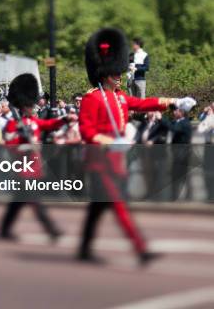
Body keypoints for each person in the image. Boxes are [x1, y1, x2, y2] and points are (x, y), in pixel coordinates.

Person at [77, 27, 195, 266]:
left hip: (116, 161)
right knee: (119, 204)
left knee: (98, 208)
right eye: (115, 71)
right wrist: (110, 142)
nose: (119, 74)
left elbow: (143, 104)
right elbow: (86, 131)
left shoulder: (119, 96)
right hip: (101, 162)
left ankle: (83, 248)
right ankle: (140, 248)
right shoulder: (92, 98)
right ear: (104, 72)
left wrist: (174, 102)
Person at [0, 73, 72, 243]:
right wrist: (27, 146)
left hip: (34, 167)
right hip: (23, 168)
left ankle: (4, 228)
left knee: (17, 202)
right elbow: (10, 146)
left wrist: (65, 119)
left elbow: (49, 124)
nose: (33, 107)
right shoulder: (13, 125)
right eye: (30, 105)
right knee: (35, 201)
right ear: (24, 106)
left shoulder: (33, 121)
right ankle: (52, 229)